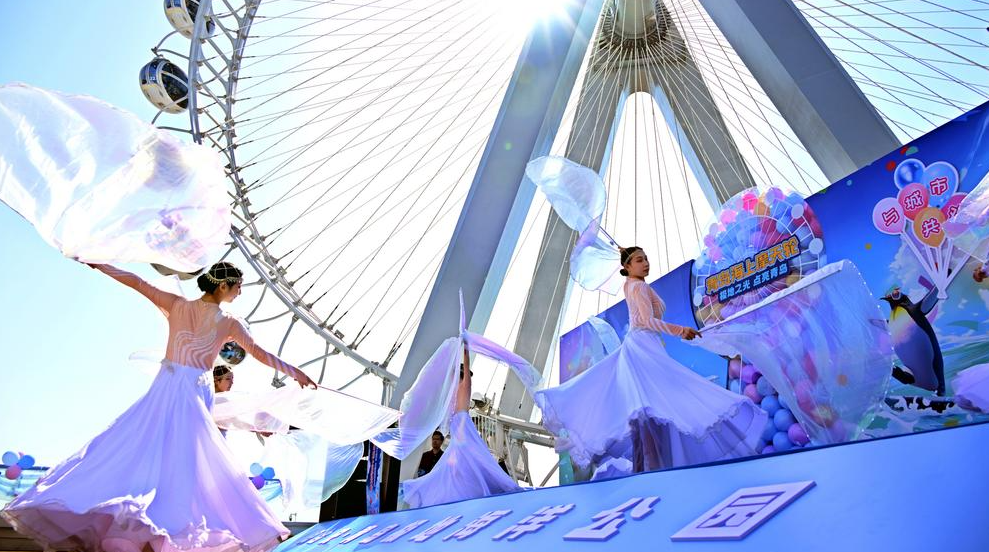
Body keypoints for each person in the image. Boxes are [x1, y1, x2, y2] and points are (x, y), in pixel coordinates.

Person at [1, 262, 315, 552]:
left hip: (168, 384)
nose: (240, 292)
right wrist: (295, 373)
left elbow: (136, 282)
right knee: (185, 462)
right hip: (191, 391)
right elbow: (259, 353)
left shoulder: (178, 305)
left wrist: (98, 263)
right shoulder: (229, 322)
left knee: (143, 447)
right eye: (238, 286)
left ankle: (141, 518)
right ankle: (166, 524)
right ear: (223, 285)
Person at [535, 247, 766, 474]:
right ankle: (652, 469)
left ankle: (647, 470)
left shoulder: (631, 285)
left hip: (641, 344)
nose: (645, 263)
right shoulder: (638, 286)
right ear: (627, 266)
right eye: (638, 260)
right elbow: (647, 321)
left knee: (646, 413)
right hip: (643, 345)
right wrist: (680, 330)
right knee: (653, 406)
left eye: (646, 258)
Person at [400, 347, 520, 508]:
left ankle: (492, 488)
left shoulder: (465, 387)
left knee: (468, 460)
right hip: (457, 428)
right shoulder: (452, 393)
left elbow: (465, 375)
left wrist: (465, 351)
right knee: (454, 467)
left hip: (463, 426)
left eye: (458, 375)